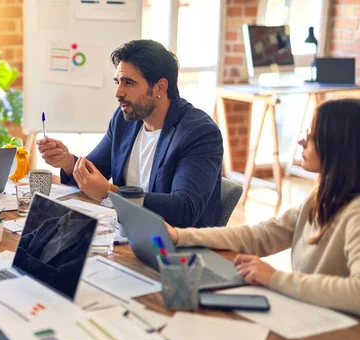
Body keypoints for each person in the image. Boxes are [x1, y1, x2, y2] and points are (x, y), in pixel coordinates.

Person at [165, 99, 360, 315]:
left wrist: (275, 278)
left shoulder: (355, 212)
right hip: (311, 315)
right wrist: (180, 236)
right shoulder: (320, 198)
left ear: (338, 146)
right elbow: (261, 236)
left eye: (312, 135)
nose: (302, 141)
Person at [37, 39, 223, 228]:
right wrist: (68, 162)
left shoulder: (199, 133)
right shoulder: (124, 119)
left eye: (129, 83)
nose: (118, 92)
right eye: (118, 82)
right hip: (125, 233)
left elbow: (184, 210)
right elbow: (96, 172)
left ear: (160, 87)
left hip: (175, 248)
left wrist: (110, 193)